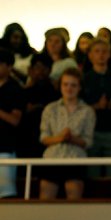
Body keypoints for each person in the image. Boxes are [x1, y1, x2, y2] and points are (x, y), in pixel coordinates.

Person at [39, 67, 96, 200]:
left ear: (79, 87)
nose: (69, 88)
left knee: (74, 200)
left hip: (75, 160)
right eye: (65, 84)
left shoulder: (87, 111)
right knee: (45, 201)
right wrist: (59, 138)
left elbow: (88, 142)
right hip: (52, 159)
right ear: (60, 86)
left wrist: (72, 138)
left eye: (73, 85)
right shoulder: (50, 108)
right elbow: (43, 138)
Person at [82, 38, 111, 182]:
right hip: (90, 132)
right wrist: (96, 106)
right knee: (92, 177)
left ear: (109, 55)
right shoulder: (84, 79)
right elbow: (76, 109)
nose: (101, 55)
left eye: (104, 51)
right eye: (97, 51)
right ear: (90, 55)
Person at [20, 53, 59, 162]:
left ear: (50, 70)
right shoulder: (23, 92)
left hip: (50, 138)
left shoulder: (56, 92)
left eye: (45, 68)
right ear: (31, 70)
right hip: (27, 138)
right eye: (37, 67)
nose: (41, 71)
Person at [0, 48, 25, 199]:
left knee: (5, 195)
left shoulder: (15, 90)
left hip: (4, 149)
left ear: (9, 67)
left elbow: (15, 120)